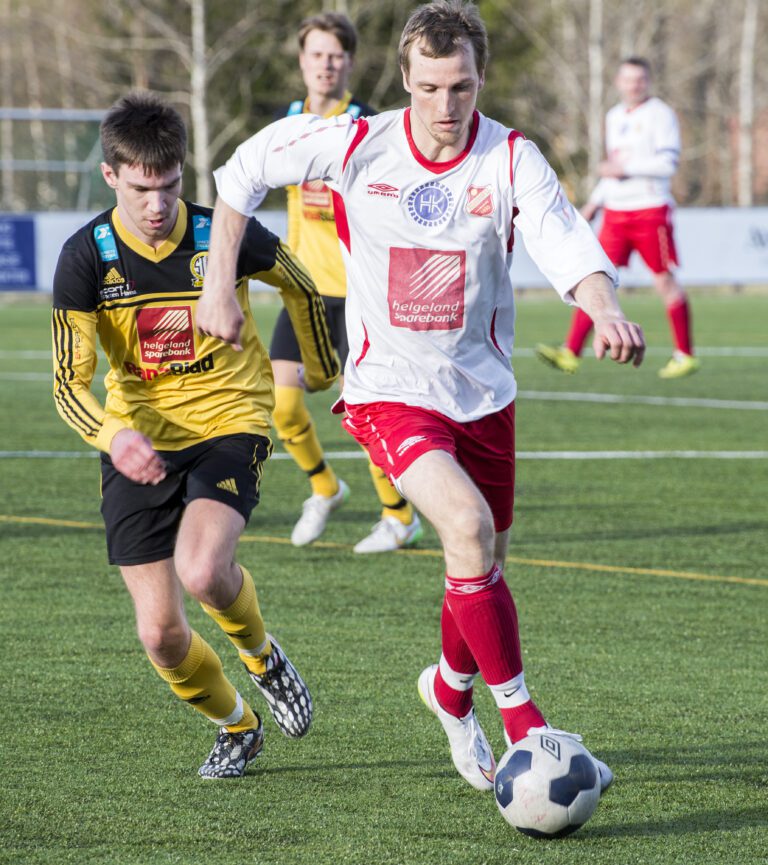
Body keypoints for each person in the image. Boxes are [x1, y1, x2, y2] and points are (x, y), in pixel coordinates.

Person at [198, 0, 645, 796]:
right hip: (388, 388)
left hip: (482, 391)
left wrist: (602, 305)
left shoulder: (510, 157)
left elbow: (562, 235)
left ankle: (447, 690)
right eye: (431, 87)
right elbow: (241, 174)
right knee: (466, 526)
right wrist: (216, 286)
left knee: (483, 562)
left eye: (462, 88)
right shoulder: (356, 144)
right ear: (403, 80)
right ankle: (529, 733)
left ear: (481, 80)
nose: (446, 107)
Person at [52, 91, 339, 779]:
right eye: (143, 188)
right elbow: (68, 383)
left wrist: (323, 372)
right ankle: (237, 725)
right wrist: (111, 435)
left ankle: (261, 653)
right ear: (112, 175)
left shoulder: (223, 236)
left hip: (228, 423)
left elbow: (300, 283)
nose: (159, 205)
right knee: (160, 632)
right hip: (138, 442)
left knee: (205, 569)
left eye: (172, 186)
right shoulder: (85, 257)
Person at [270, 12, 423, 553]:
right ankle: (325, 488)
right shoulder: (288, 122)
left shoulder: (365, 125)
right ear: (303, 61)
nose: (325, 65)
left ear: (349, 63)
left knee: (362, 416)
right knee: (283, 406)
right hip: (302, 293)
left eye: (335, 55)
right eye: (316, 54)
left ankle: (398, 516)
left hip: (355, 297)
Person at [536, 56, 699, 379]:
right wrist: (595, 201)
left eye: (639, 79)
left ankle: (685, 354)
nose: (633, 85)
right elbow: (612, 167)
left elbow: (668, 165)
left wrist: (624, 170)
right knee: (592, 275)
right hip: (615, 213)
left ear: (648, 81)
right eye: (628, 79)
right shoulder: (613, 116)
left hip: (651, 209)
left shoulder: (661, 114)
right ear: (618, 82)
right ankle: (571, 352)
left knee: (664, 281)